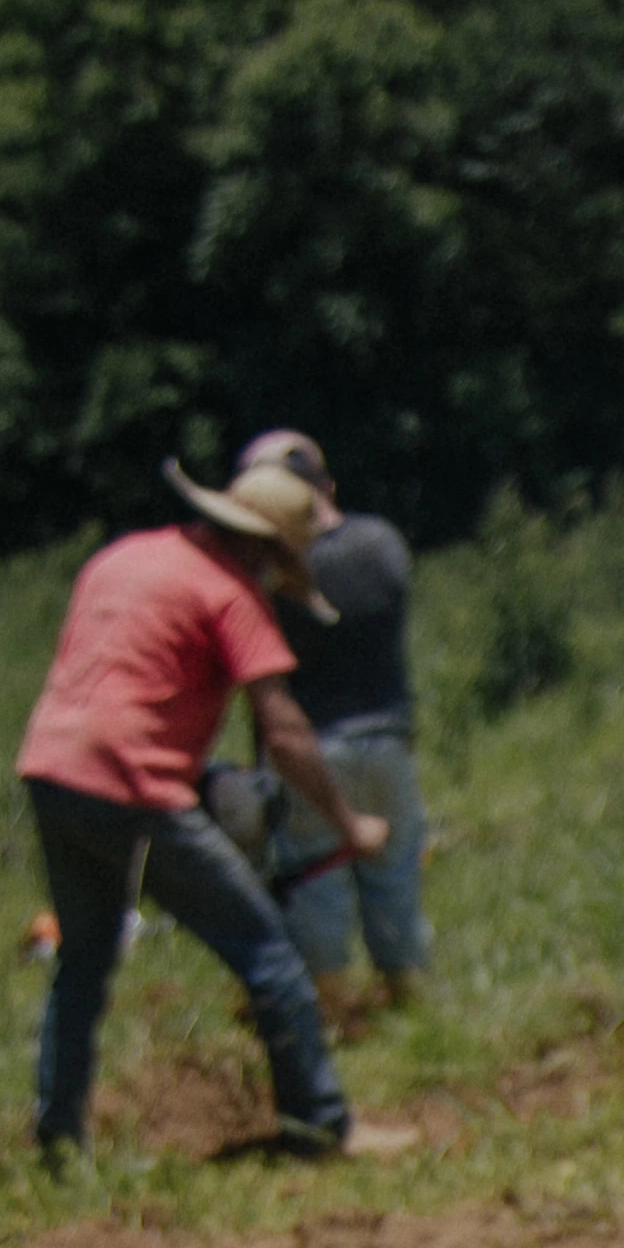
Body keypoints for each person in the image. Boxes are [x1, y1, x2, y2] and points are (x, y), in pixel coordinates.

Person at [14, 456, 388, 1167]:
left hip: (52, 769)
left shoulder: (124, 558)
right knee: (270, 953)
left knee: (83, 961)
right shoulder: (230, 595)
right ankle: (319, 1128)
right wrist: (349, 824)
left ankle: (58, 1143)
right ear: (268, 548)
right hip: (135, 788)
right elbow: (282, 731)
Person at [228, 426, 431, 1008]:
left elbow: (262, 684)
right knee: (394, 876)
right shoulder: (383, 544)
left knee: (315, 879)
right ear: (326, 485)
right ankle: (409, 1000)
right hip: (389, 740)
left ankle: (331, 1012)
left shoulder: (271, 579)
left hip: (312, 749)